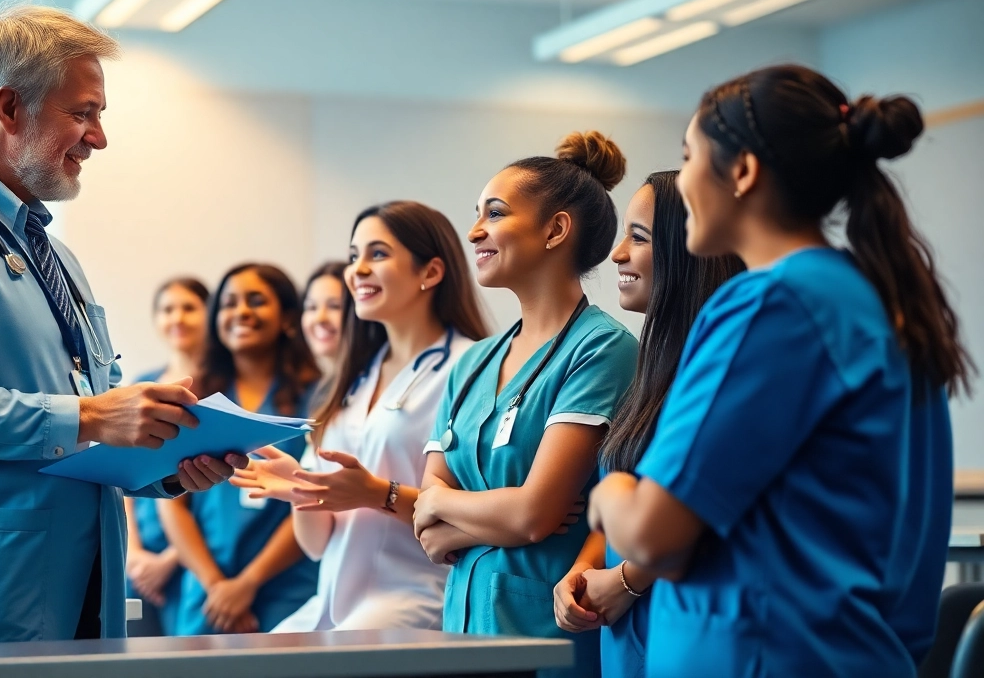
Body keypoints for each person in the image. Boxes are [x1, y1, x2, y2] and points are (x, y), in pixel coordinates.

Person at [0, 1, 247, 647]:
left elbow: (87, 423)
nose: (99, 137)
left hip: (75, 593)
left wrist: (168, 463)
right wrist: (92, 417)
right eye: (82, 113)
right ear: (9, 109)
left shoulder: (54, 255)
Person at [588, 65, 970, 677]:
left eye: (689, 157)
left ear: (742, 172)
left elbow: (653, 535)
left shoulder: (772, 305)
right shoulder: (879, 302)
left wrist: (612, 492)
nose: (683, 182)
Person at [414, 132, 639, 677]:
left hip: (548, 638)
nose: (474, 232)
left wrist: (506, 513)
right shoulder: (472, 364)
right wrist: (507, 515)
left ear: (556, 229)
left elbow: (533, 514)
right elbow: (426, 516)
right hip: (462, 632)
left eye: (494, 213)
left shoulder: (601, 349)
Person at [232, 201, 487, 631]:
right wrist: (301, 487)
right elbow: (316, 545)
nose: (357, 270)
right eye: (354, 256)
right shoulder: (353, 381)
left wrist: (376, 493)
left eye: (378, 254)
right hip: (333, 600)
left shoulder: (471, 366)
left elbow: (479, 516)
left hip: (416, 596)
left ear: (431, 272)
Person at [551, 172, 742, 677]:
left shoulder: (714, 371)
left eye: (638, 237)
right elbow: (629, 495)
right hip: (627, 627)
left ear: (690, 251)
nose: (616, 255)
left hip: (674, 617)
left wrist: (628, 579)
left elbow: (703, 508)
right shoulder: (654, 369)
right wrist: (585, 570)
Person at [157, 263, 321, 635]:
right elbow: (173, 505)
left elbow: (317, 499)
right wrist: (216, 585)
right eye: (229, 303)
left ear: (287, 318)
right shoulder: (195, 398)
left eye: (257, 301)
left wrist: (248, 584)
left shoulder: (319, 399)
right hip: (207, 592)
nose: (242, 311)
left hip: (286, 589)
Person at [125, 277, 209, 636]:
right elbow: (124, 472)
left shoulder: (224, 386)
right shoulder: (145, 385)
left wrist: (172, 559)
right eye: (167, 309)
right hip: (142, 559)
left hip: (196, 557)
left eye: (189, 307)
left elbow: (220, 492)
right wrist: (134, 554)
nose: (178, 317)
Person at [301, 262, 347, 375]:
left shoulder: (372, 385)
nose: (320, 318)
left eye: (334, 306)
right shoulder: (313, 390)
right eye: (312, 307)